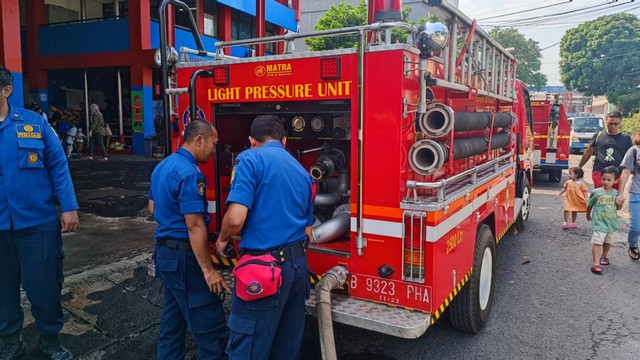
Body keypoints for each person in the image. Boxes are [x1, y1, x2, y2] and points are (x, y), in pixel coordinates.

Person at [215, 115, 315, 360]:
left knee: (248, 350)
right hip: (297, 269)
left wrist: (222, 239)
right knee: (286, 346)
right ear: (284, 140)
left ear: (251, 140)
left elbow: (236, 218)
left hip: (264, 271)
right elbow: (308, 232)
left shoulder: (249, 159)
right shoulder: (304, 173)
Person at [0, 65, 79, 359]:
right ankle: (10, 340)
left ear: (7, 90)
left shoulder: (32, 123)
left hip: (38, 223)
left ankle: (50, 338)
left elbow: (58, 164)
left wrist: (68, 206)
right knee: (2, 287)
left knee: (44, 284)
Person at [149, 118, 230, 359]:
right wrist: (209, 271)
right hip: (185, 258)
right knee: (209, 326)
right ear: (198, 140)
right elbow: (194, 226)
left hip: (165, 255)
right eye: (213, 144)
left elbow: (153, 208)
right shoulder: (190, 174)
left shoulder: (163, 166)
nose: (214, 151)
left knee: (173, 323)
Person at [578, 111, 632, 189]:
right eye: (610, 123)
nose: (613, 126)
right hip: (599, 172)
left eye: (616, 124)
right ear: (605, 121)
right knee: (600, 194)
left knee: (614, 197)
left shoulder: (626, 138)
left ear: (620, 122)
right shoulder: (598, 136)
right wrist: (579, 167)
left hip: (617, 174)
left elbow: (630, 157)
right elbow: (588, 152)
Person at [586, 166, 623, 274]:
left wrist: (619, 204)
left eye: (609, 180)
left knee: (608, 241)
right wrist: (588, 214)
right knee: (597, 241)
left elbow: (619, 208)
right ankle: (595, 263)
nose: (605, 182)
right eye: (603, 179)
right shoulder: (596, 192)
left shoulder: (616, 193)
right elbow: (590, 204)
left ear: (615, 180)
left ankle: (604, 256)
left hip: (612, 223)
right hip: (599, 222)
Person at [615, 130, 640, 261]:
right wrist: (620, 193)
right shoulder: (634, 151)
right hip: (637, 192)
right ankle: (633, 244)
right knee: (636, 227)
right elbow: (625, 172)